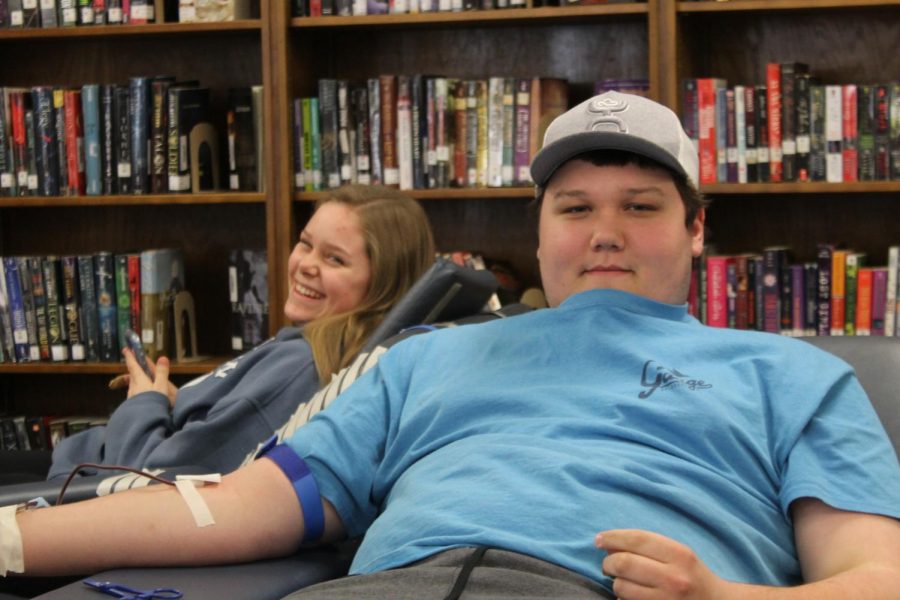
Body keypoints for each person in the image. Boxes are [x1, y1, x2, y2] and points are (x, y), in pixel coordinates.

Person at [8, 92, 900, 599]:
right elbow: (237, 507)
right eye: (576, 208)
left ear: (698, 229)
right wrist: (14, 539)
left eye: (641, 207)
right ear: (541, 228)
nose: (605, 234)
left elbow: (874, 577)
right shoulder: (429, 355)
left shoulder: (793, 376)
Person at [14, 184, 436, 482]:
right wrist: (183, 402)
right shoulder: (315, 344)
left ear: (382, 285)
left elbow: (148, 479)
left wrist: (144, 403)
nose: (306, 264)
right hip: (80, 464)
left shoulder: (299, 366)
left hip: (81, 483)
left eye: (335, 259)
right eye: (306, 244)